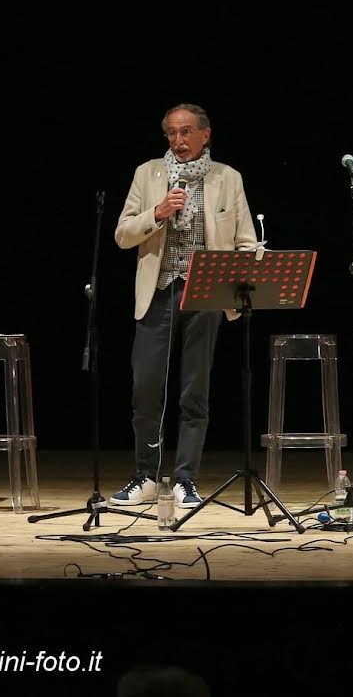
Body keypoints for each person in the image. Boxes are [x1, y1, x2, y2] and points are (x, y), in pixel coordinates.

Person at [112, 103, 257, 508]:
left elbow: (245, 240)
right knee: (146, 388)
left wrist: (241, 281)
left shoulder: (227, 178)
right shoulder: (148, 174)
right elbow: (123, 234)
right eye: (172, 134)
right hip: (158, 292)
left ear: (205, 134)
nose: (179, 141)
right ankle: (145, 475)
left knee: (195, 391)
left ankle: (185, 479)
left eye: (187, 132)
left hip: (206, 294)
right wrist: (157, 213)